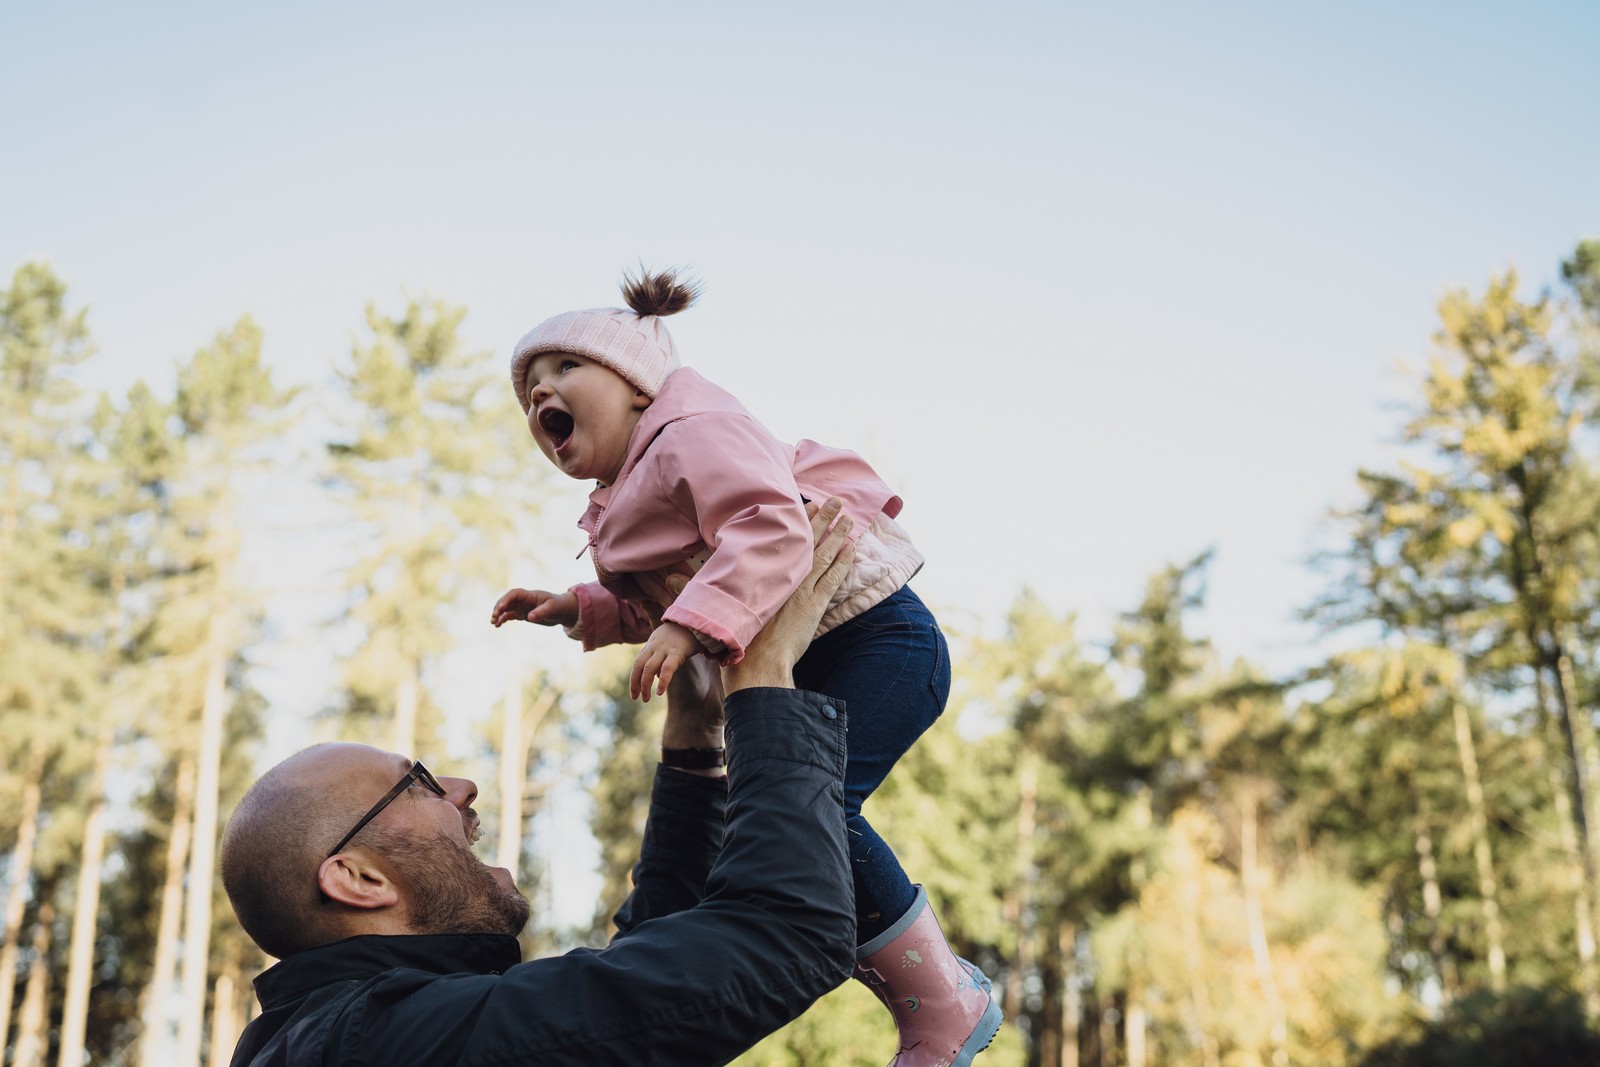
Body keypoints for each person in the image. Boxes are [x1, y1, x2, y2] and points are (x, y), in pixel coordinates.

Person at [490, 270, 1001, 1065]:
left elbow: (768, 530)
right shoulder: (618, 500)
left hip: (877, 640)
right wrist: (580, 606)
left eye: (564, 371)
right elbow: (668, 601)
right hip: (805, 662)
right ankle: (925, 991)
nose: (540, 396)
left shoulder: (694, 430)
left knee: (813, 812)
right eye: (528, 393)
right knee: (780, 820)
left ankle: (942, 999)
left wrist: (691, 624)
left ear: (636, 387)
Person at [221, 503, 861, 1066]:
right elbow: (788, 932)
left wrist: (695, 740)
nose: (464, 786)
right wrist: (765, 681)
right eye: (415, 784)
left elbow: (648, 985)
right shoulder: (389, 1040)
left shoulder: (346, 1035)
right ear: (358, 879)